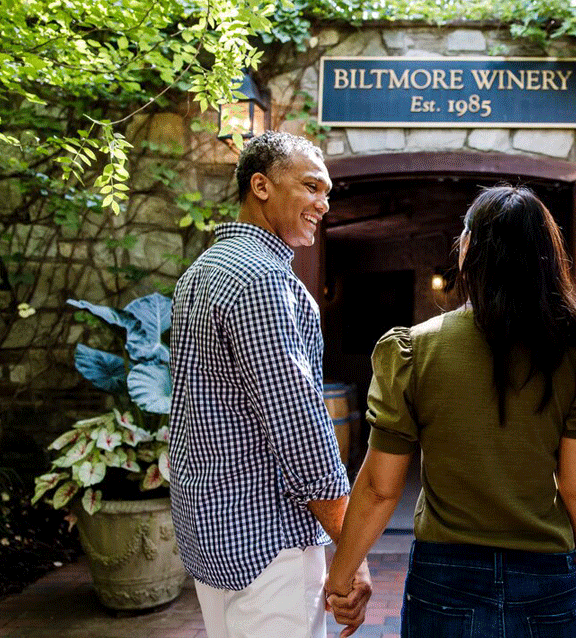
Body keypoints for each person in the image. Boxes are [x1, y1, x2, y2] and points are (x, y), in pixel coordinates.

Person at [325, 185, 576, 637]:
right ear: (546, 255)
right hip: (547, 578)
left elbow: (381, 490)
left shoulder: (412, 350)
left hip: (444, 579)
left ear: (467, 252)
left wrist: (340, 577)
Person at [168, 131, 371, 638]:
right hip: (267, 541)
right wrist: (350, 552)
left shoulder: (198, 273)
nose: (323, 204)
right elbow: (301, 430)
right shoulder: (263, 281)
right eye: (310, 187)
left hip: (210, 531)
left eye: (327, 192)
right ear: (260, 185)